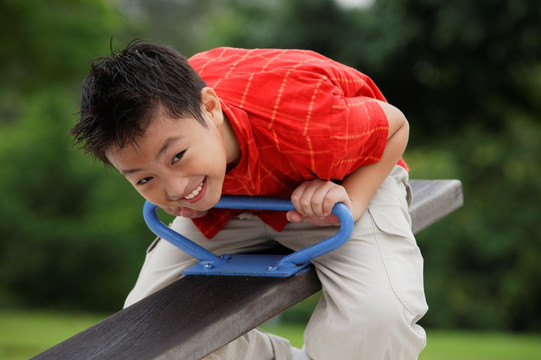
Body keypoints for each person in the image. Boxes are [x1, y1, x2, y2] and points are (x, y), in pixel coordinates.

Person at [71, 41, 428, 360]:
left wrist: (353, 196)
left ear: (210, 108)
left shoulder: (308, 120)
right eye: (145, 179)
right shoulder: (183, 160)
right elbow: (174, 177)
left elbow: (395, 125)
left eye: (177, 156)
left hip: (333, 183)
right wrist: (178, 183)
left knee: (380, 316)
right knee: (147, 333)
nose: (175, 188)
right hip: (226, 202)